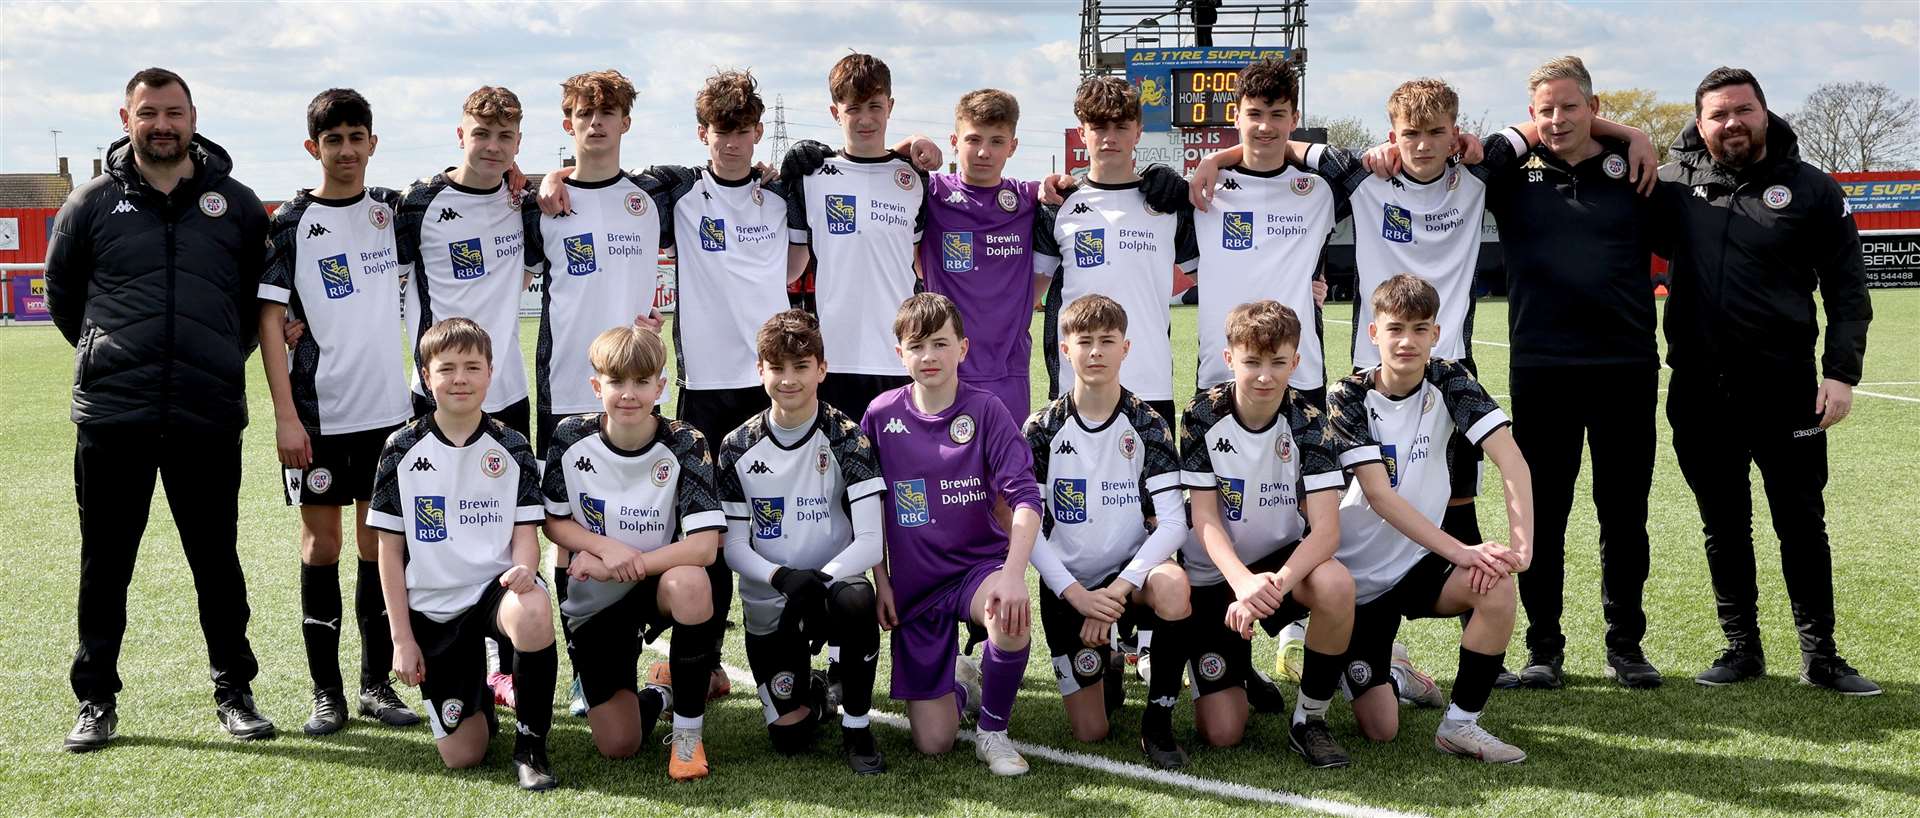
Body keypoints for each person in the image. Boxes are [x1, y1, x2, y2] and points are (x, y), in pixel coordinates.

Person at [539, 68, 794, 710]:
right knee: (593, 523)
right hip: (686, 386)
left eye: (743, 132)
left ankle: (775, 656)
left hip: (772, 383)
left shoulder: (785, 189)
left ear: (758, 133)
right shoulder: (674, 191)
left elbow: (806, 230)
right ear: (701, 134)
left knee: (762, 521)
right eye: (719, 131)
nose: (731, 143)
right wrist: (548, 176)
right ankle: (628, 661)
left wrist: (915, 152)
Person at [48, 67, 275, 751]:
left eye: (174, 112)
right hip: (114, 416)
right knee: (105, 562)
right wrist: (107, 353)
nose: (163, 125)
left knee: (216, 559)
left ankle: (235, 692)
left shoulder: (235, 205)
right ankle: (95, 699)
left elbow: (251, 305)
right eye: (149, 113)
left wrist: (213, 358)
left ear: (193, 115)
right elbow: (66, 299)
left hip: (207, 412)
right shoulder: (88, 203)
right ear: (127, 118)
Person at [1659, 67, 1878, 695]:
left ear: (1764, 112)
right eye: (1718, 115)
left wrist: (1840, 374)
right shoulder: (1673, 186)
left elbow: (1847, 290)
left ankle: (1822, 656)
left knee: (1801, 520)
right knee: (1722, 523)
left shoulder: (1812, 189)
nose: (1732, 123)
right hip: (1699, 389)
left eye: (1742, 110)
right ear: (1699, 125)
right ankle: (1741, 648)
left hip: (1786, 386)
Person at [258, 88, 420, 735]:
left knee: (377, 546)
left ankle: (376, 685)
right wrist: (284, 417)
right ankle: (327, 693)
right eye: (334, 140)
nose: (347, 151)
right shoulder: (292, 225)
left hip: (389, 416)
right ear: (313, 148)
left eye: (357, 137)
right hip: (318, 418)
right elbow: (272, 324)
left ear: (373, 143)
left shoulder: (392, 212)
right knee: (321, 546)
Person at [1325, 274, 1533, 764]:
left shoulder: (1450, 380)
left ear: (1436, 335)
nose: (1407, 341)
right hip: (1354, 581)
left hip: (1418, 563)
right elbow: (1378, 495)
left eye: (1420, 329)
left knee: (1497, 584)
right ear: (1372, 333)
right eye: (1395, 328)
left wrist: (1521, 549)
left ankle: (1460, 726)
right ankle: (1393, 671)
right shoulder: (1346, 396)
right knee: (1380, 729)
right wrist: (1462, 551)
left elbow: (1511, 459)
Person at [392, 84, 542, 708]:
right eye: (482, 135)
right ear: (461, 135)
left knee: (507, 533)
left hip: (505, 395)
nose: (491, 146)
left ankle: (506, 666)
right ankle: (391, 666)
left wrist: (534, 179)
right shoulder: (420, 203)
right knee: (422, 534)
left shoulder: (524, 202)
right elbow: (379, 279)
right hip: (438, 396)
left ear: (517, 146)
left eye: (505, 138)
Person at [368, 318, 558, 790]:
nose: (460, 378)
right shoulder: (401, 449)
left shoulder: (512, 445)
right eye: (446, 368)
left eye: (472, 367)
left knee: (533, 606)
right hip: (434, 609)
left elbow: (526, 531)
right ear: (426, 376)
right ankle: (478, 701)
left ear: (491, 373)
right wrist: (402, 640)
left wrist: (525, 569)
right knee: (464, 756)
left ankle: (531, 748)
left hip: (494, 593)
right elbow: (388, 553)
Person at [862, 293, 1043, 776]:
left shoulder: (987, 410)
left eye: (940, 344)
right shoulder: (880, 416)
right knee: (934, 742)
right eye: (916, 346)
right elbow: (866, 509)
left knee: (1008, 611)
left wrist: (1012, 574)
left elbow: (1026, 497)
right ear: (899, 353)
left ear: (963, 348)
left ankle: (994, 732)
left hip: (975, 572)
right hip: (916, 587)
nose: (929, 357)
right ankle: (963, 680)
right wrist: (882, 580)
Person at [541, 325, 728, 780]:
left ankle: (687, 737)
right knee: (618, 744)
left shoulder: (686, 442)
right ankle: (662, 693)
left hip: (654, 584)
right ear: (595, 386)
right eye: (617, 382)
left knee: (691, 581)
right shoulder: (569, 437)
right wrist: (604, 548)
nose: (629, 394)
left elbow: (704, 547)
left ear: (660, 386)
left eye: (642, 382)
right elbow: (553, 521)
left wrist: (620, 566)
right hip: (592, 598)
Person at [1178, 300, 1354, 767]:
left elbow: (1326, 532)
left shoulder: (1313, 423)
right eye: (1252, 362)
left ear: (1296, 362)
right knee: (1222, 733)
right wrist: (1242, 583)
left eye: (1278, 363)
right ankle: (1239, 671)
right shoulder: (1201, 414)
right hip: (1218, 576)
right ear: (1229, 357)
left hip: (1278, 567)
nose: (1265, 376)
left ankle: (1310, 720)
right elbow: (1205, 519)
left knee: (1336, 582)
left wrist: (1273, 584)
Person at [1023, 295, 1193, 769]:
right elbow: (1027, 527)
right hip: (1068, 585)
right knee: (1091, 732)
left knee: (1175, 586)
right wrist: (1077, 595)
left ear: (1126, 348)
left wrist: (1116, 592)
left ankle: (1158, 723)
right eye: (1085, 342)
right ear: (1064, 349)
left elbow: (1175, 523)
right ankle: (1111, 661)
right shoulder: (1041, 429)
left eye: (1107, 341)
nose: (1095, 351)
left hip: (1130, 579)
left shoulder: (1148, 423)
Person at [716, 310, 887, 774]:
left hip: (832, 588)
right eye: (777, 368)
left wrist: (817, 581)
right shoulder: (736, 445)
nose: (788, 379)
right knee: (790, 737)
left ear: (822, 369)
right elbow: (733, 547)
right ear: (760, 371)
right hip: (772, 599)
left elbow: (872, 539)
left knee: (856, 602)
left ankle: (856, 725)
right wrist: (784, 578)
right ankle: (814, 691)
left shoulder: (848, 437)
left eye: (801, 367)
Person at [1035, 76, 1198, 427]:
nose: (1110, 138)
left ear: (1138, 131)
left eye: (1122, 127)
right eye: (1098, 127)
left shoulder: (1167, 203)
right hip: (1074, 384)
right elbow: (1029, 292)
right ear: (1082, 132)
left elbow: (1215, 277)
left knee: (1151, 484)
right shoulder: (1057, 205)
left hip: (1150, 384)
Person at [784, 53, 929, 421]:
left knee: (899, 471)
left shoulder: (913, 178)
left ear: (890, 107)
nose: (865, 119)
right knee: (837, 471)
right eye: (853, 108)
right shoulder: (810, 175)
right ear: (836, 112)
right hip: (834, 357)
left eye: (875, 106)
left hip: (899, 353)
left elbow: (918, 260)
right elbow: (792, 263)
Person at [1187, 58, 1340, 401]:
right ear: (1236, 116)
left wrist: (1218, 156)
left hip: (1300, 372)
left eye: (1277, 115)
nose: (1265, 126)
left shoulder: (1320, 189)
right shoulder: (1202, 190)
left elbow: (1353, 164)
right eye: (1254, 114)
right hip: (1220, 370)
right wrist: (1213, 163)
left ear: (1295, 119)